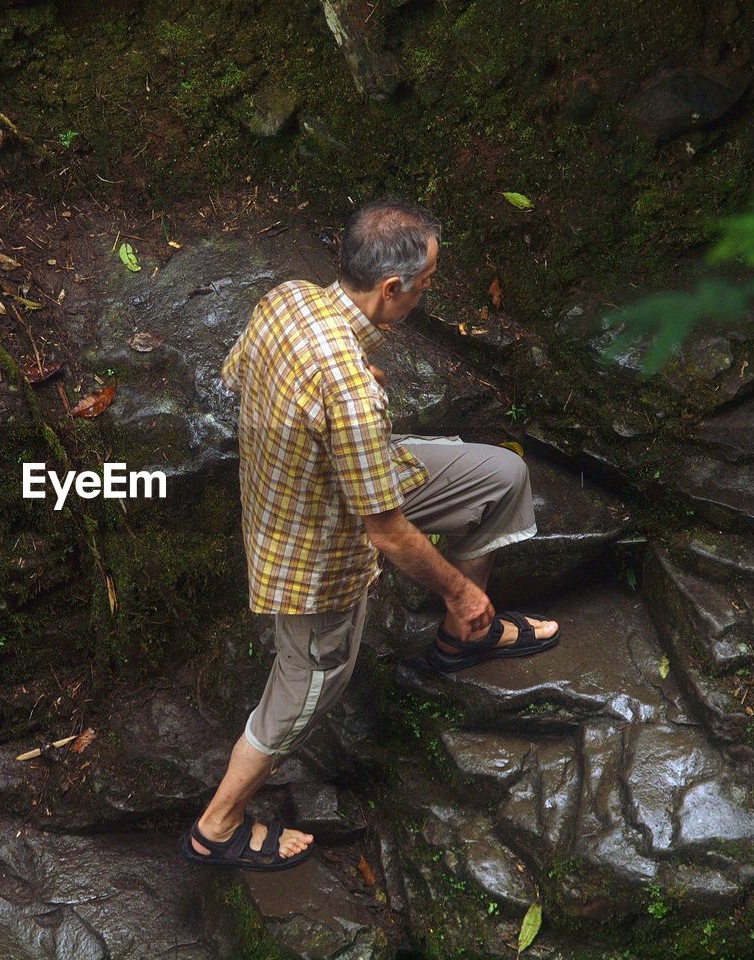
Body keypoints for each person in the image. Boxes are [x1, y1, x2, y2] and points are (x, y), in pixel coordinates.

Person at [179, 199, 561, 871]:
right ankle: (218, 824)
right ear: (393, 288)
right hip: (311, 544)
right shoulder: (349, 392)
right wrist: (460, 591)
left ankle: (459, 645)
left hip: (355, 471)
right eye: (428, 280)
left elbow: (237, 374)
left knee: (500, 478)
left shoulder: (289, 298)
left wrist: (331, 394)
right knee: (307, 688)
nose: (429, 289)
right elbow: (385, 532)